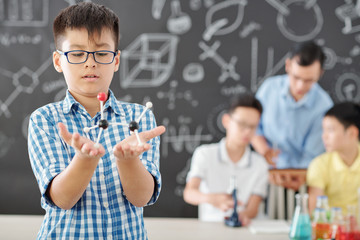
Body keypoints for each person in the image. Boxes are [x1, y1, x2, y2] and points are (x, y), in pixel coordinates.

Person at [27, 3, 165, 239]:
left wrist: (128, 161)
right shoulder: (45, 120)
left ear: (116, 60)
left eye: (102, 53)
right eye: (77, 53)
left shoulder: (138, 118)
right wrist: (83, 160)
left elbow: (142, 198)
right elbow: (61, 199)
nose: (90, 62)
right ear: (59, 61)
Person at [251, 40, 333, 190]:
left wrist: (295, 178)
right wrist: (264, 150)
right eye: (296, 77)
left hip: (302, 179)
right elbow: (253, 127)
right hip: (262, 173)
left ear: (320, 74)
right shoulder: (269, 89)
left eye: (309, 80)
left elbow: (312, 154)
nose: (300, 86)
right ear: (288, 65)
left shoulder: (324, 106)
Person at [183, 94, 268, 225]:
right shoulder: (204, 154)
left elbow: (253, 208)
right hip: (211, 226)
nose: (247, 131)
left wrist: (240, 216)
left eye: (253, 126)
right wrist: (212, 199)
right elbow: (189, 193)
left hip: (245, 227)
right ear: (226, 121)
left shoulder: (260, 164)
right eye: (242, 124)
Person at [307, 102, 360, 214]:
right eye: (323, 130)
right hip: (332, 229)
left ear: (352, 133)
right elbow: (315, 213)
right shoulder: (319, 164)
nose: (324, 136)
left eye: (330, 130)